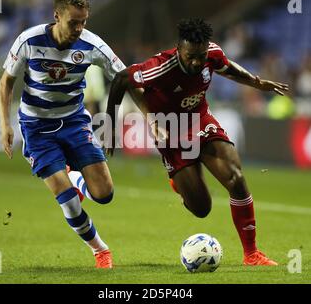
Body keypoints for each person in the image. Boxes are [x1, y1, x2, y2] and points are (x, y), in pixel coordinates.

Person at [105, 18, 289, 265]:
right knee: (202, 209)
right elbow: (121, 80)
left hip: (200, 120)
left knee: (235, 178)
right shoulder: (159, 67)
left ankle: (251, 253)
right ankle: (178, 183)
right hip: (171, 130)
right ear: (179, 49)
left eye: (200, 56)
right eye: (190, 56)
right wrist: (110, 125)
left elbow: (228, 67)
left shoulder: (211, 53)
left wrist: (255, 82)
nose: (196, 62)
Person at [0, 0, 126, 269]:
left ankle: (77, 178)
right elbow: (6, 82)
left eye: (83, 22)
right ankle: (100, 249)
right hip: (36, 127)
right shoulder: (29, 41)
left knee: (104, 195)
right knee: (67, 200)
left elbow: (125, 78)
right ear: (57, 16)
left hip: (74, 122)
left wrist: (150, 117)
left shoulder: (92, 45)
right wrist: (6, 124)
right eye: (73, 22)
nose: (79, 29)